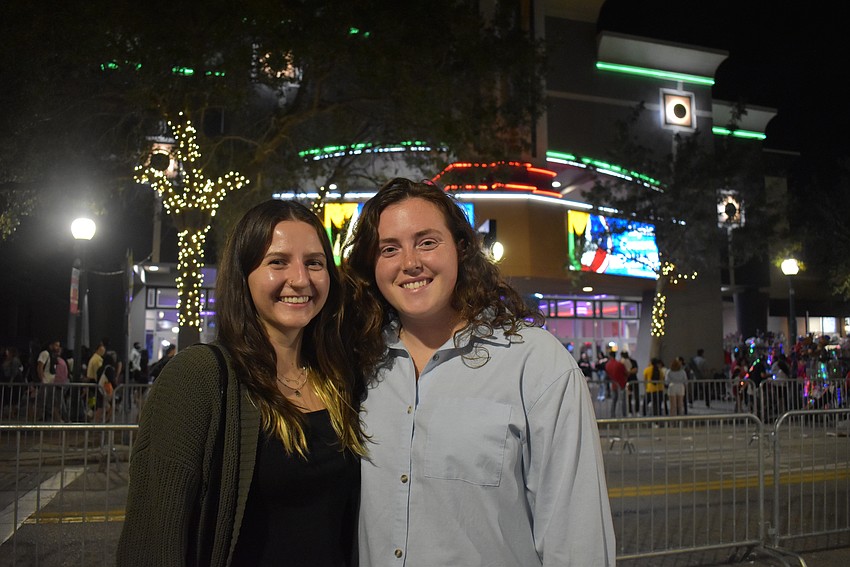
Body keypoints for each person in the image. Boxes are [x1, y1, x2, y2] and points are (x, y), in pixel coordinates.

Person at [343, 178, 615, 566]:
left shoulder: (535, 363)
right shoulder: (358, 365)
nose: (410, 263)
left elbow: (577, 537)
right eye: (390, 249)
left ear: (462, 248)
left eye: (427, 241)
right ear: (372, 266)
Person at [117, 199, 366, 567]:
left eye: (315, 262)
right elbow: (153, 536)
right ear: (243, 275)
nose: (300, 279)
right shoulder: (200, 377)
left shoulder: (340, 379)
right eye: (277, 261)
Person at [605, 349, 628, 417]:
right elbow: (625, 373)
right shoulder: (619, 364)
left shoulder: (607, 365)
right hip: (621, 384)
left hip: (613, 384)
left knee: (614, 400)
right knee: (623, 401)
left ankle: (612, 414)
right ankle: (624, 415)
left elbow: (608, 374)